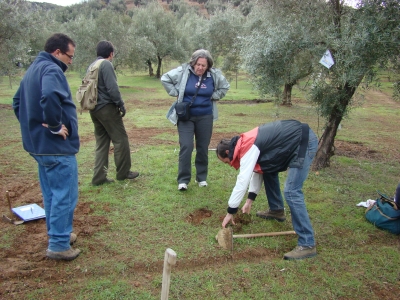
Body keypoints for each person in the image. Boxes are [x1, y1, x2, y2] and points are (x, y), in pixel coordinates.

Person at [12, 33, 80, 261]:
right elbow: (50, 94)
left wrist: (31, 127)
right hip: (56, 147)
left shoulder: (32, 70)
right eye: (69, 57)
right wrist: (53, 126)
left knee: (52, 193)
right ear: (57, 53)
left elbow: (17, 103)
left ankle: (58, 234)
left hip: (39, 147)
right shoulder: (51, 70)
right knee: (65, 194)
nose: (70, 62)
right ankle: (59, 244)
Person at [216, 119, 318, 260]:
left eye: (226, 162)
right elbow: (258, 170)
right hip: (295, 139)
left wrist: (230, 211)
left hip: (302, 142)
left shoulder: (247, 146)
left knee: (292, 192)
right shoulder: (244, 143)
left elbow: (243, 180)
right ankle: (277, 210)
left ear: (228, 152)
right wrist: (249, 200)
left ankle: (307, 243)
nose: (229, 165)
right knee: (268, 170)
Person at [161, 49, 230, 191]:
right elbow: (165, 78)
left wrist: (214, 95)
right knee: (186, 146)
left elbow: (225, 86)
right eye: (198, 64)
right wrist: (176, 92)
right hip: (186, 116)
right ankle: (183, 180)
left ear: (208, 66)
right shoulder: (183, 71)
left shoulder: (214, 75)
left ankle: (202, 178)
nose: (200, 68)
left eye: (203, 66)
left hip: (205, 116)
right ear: (193, 63)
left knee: (203, 147)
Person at [88, 40, 139, 186]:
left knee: (102, 143)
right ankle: (123, 172)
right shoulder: (106, 64)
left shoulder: (92, 65)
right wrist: (120, 104)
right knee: (120, 139)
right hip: (106, 108)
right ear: (111, 54)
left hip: (94, 108)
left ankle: (99, 177)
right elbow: (112, 88)